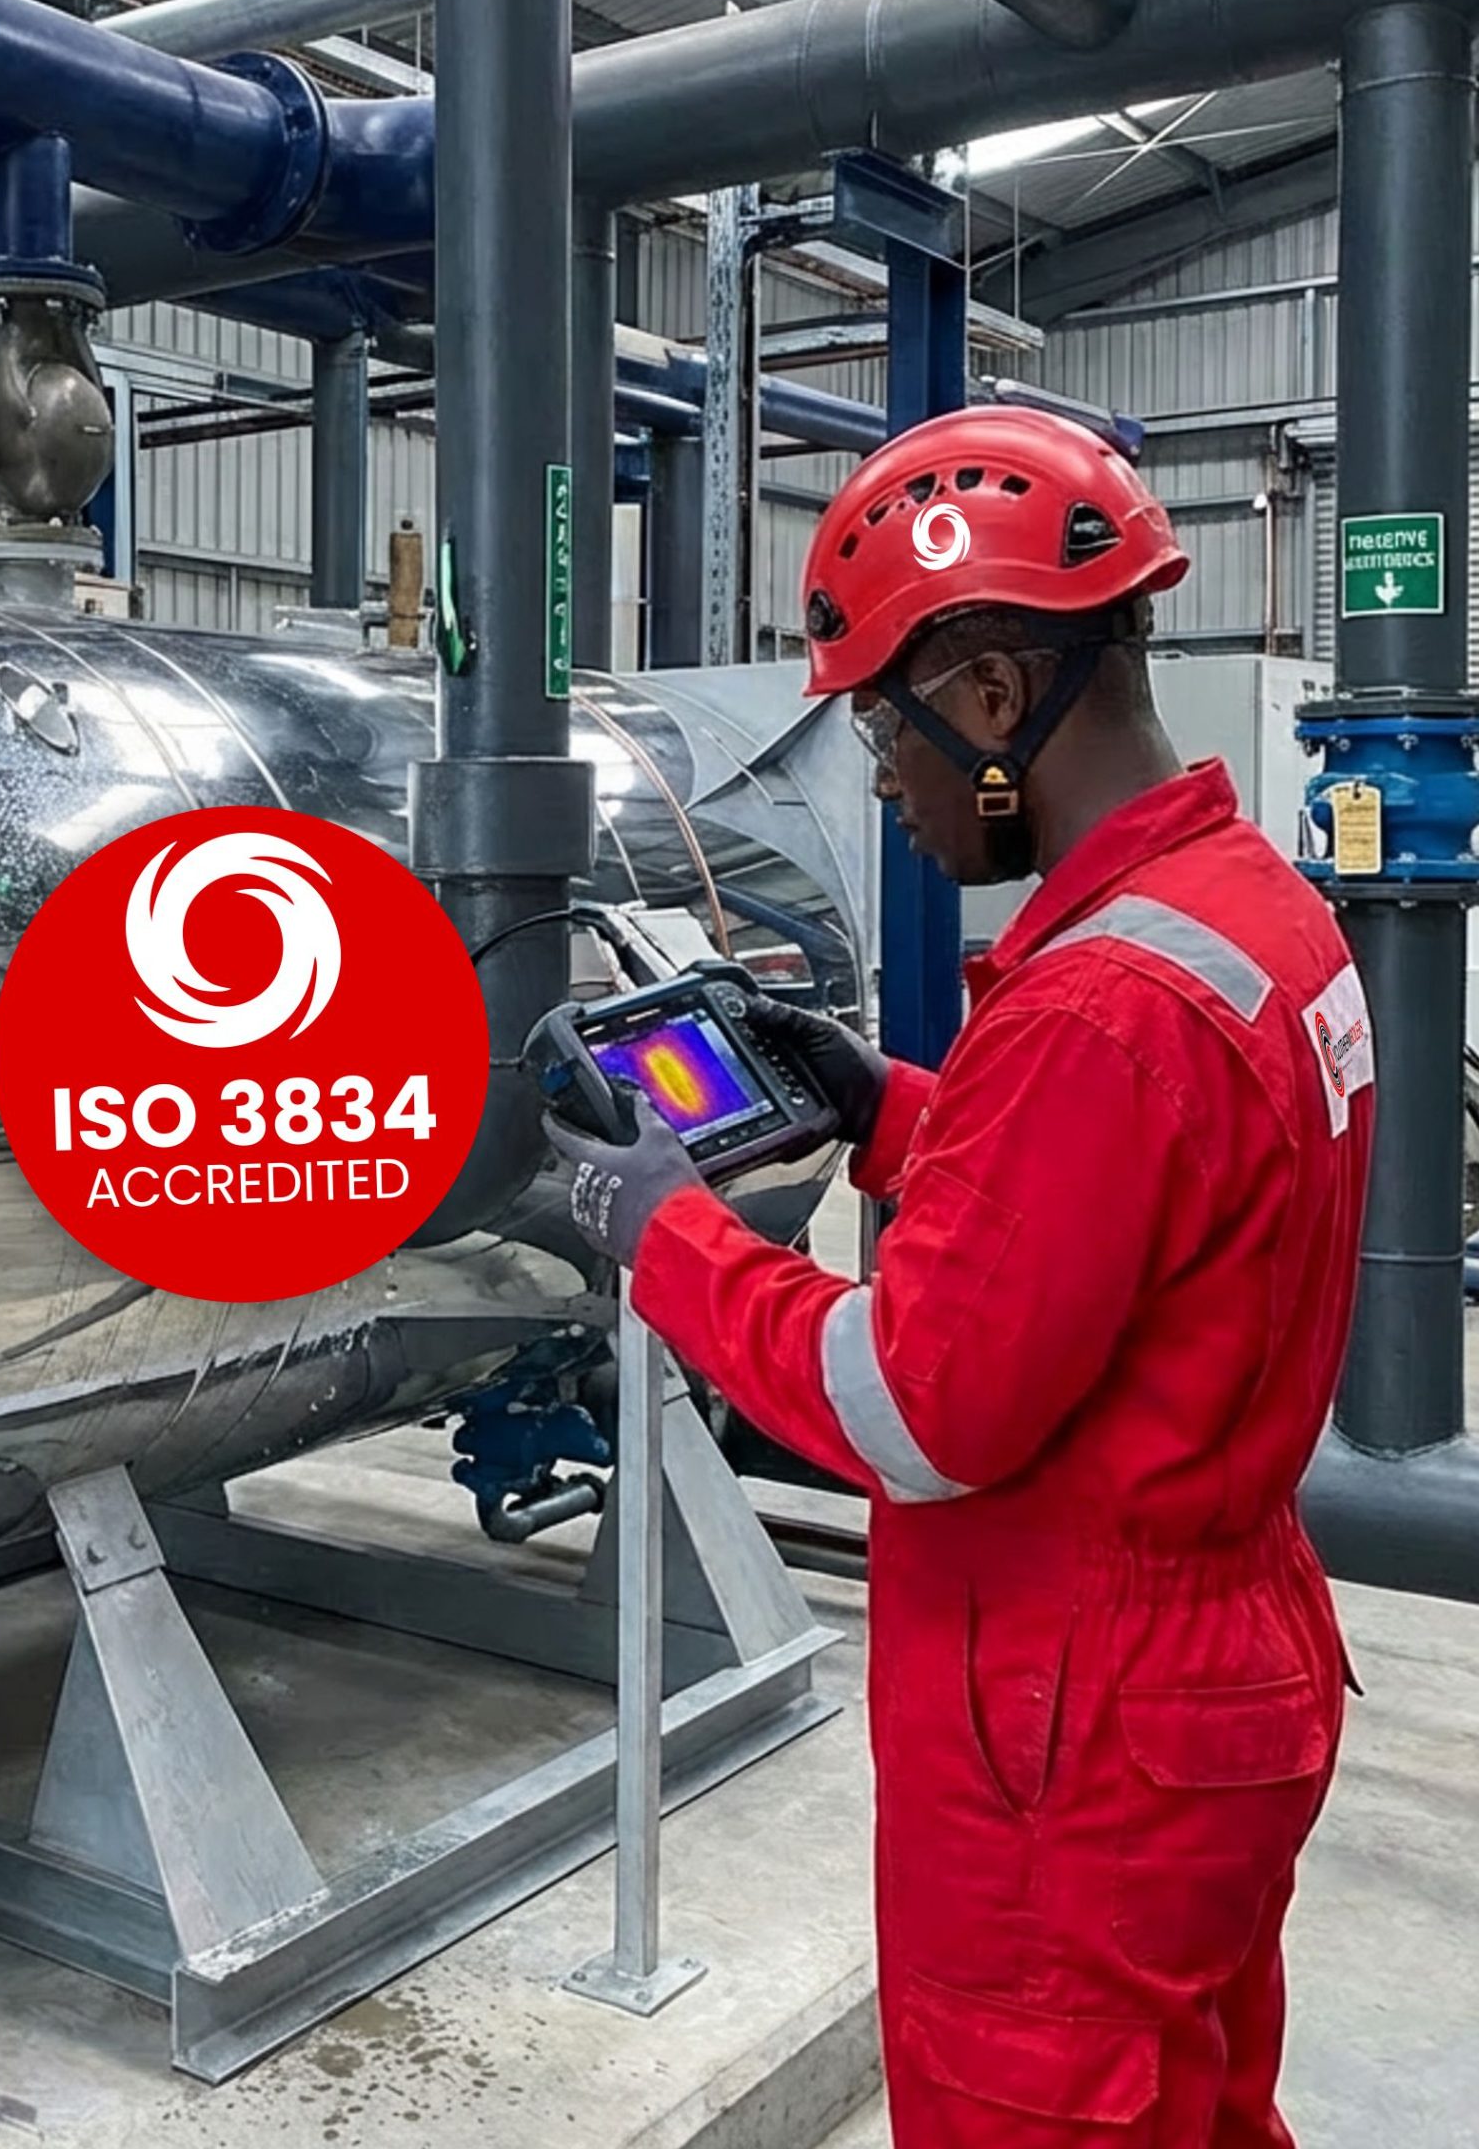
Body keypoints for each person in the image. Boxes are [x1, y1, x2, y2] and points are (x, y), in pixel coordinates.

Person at [548, 406, 1372, 2146]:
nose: (886, 787)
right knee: (1200, 2107)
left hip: (1077, 1728)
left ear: (994, 697)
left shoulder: (1096, 1006)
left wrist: (664, 1236)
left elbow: (914, 1413)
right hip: (1216, 1675)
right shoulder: (1254, 914)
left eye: (882, 726)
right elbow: (1152, 1214)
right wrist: (889, 1110)